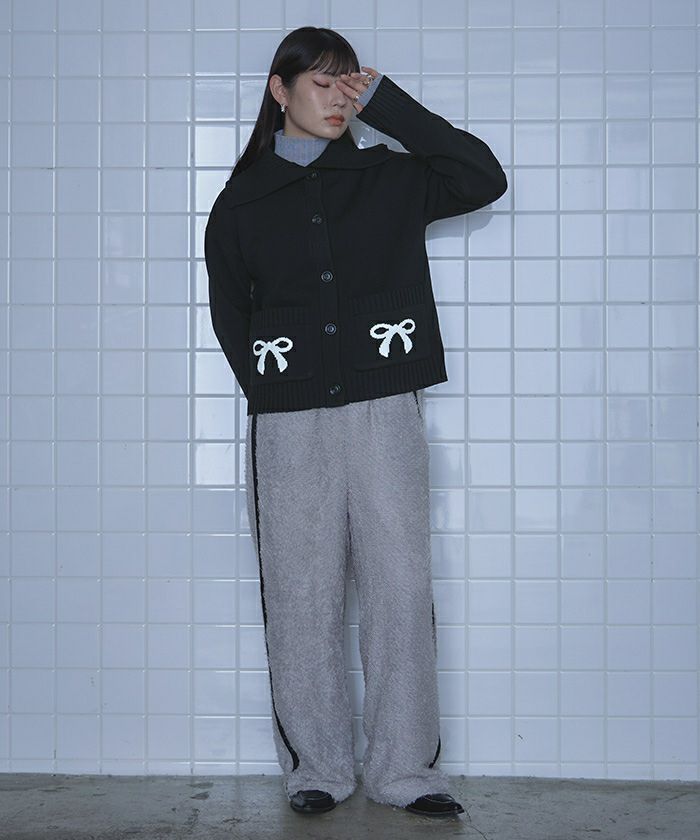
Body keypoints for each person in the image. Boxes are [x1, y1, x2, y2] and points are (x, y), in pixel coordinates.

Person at [204, 26, 507, 819]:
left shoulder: (389, 177)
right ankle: (319, 767)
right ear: (280, 91)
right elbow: (231, 314)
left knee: (400, 587)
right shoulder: (242, 201)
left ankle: (406, 770)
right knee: (301, 593)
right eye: (322, 82)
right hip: (290, 419)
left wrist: (390, 106)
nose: (339, 98)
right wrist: (280, 387)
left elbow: (481, 176)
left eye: (350, 83)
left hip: (383, 408)